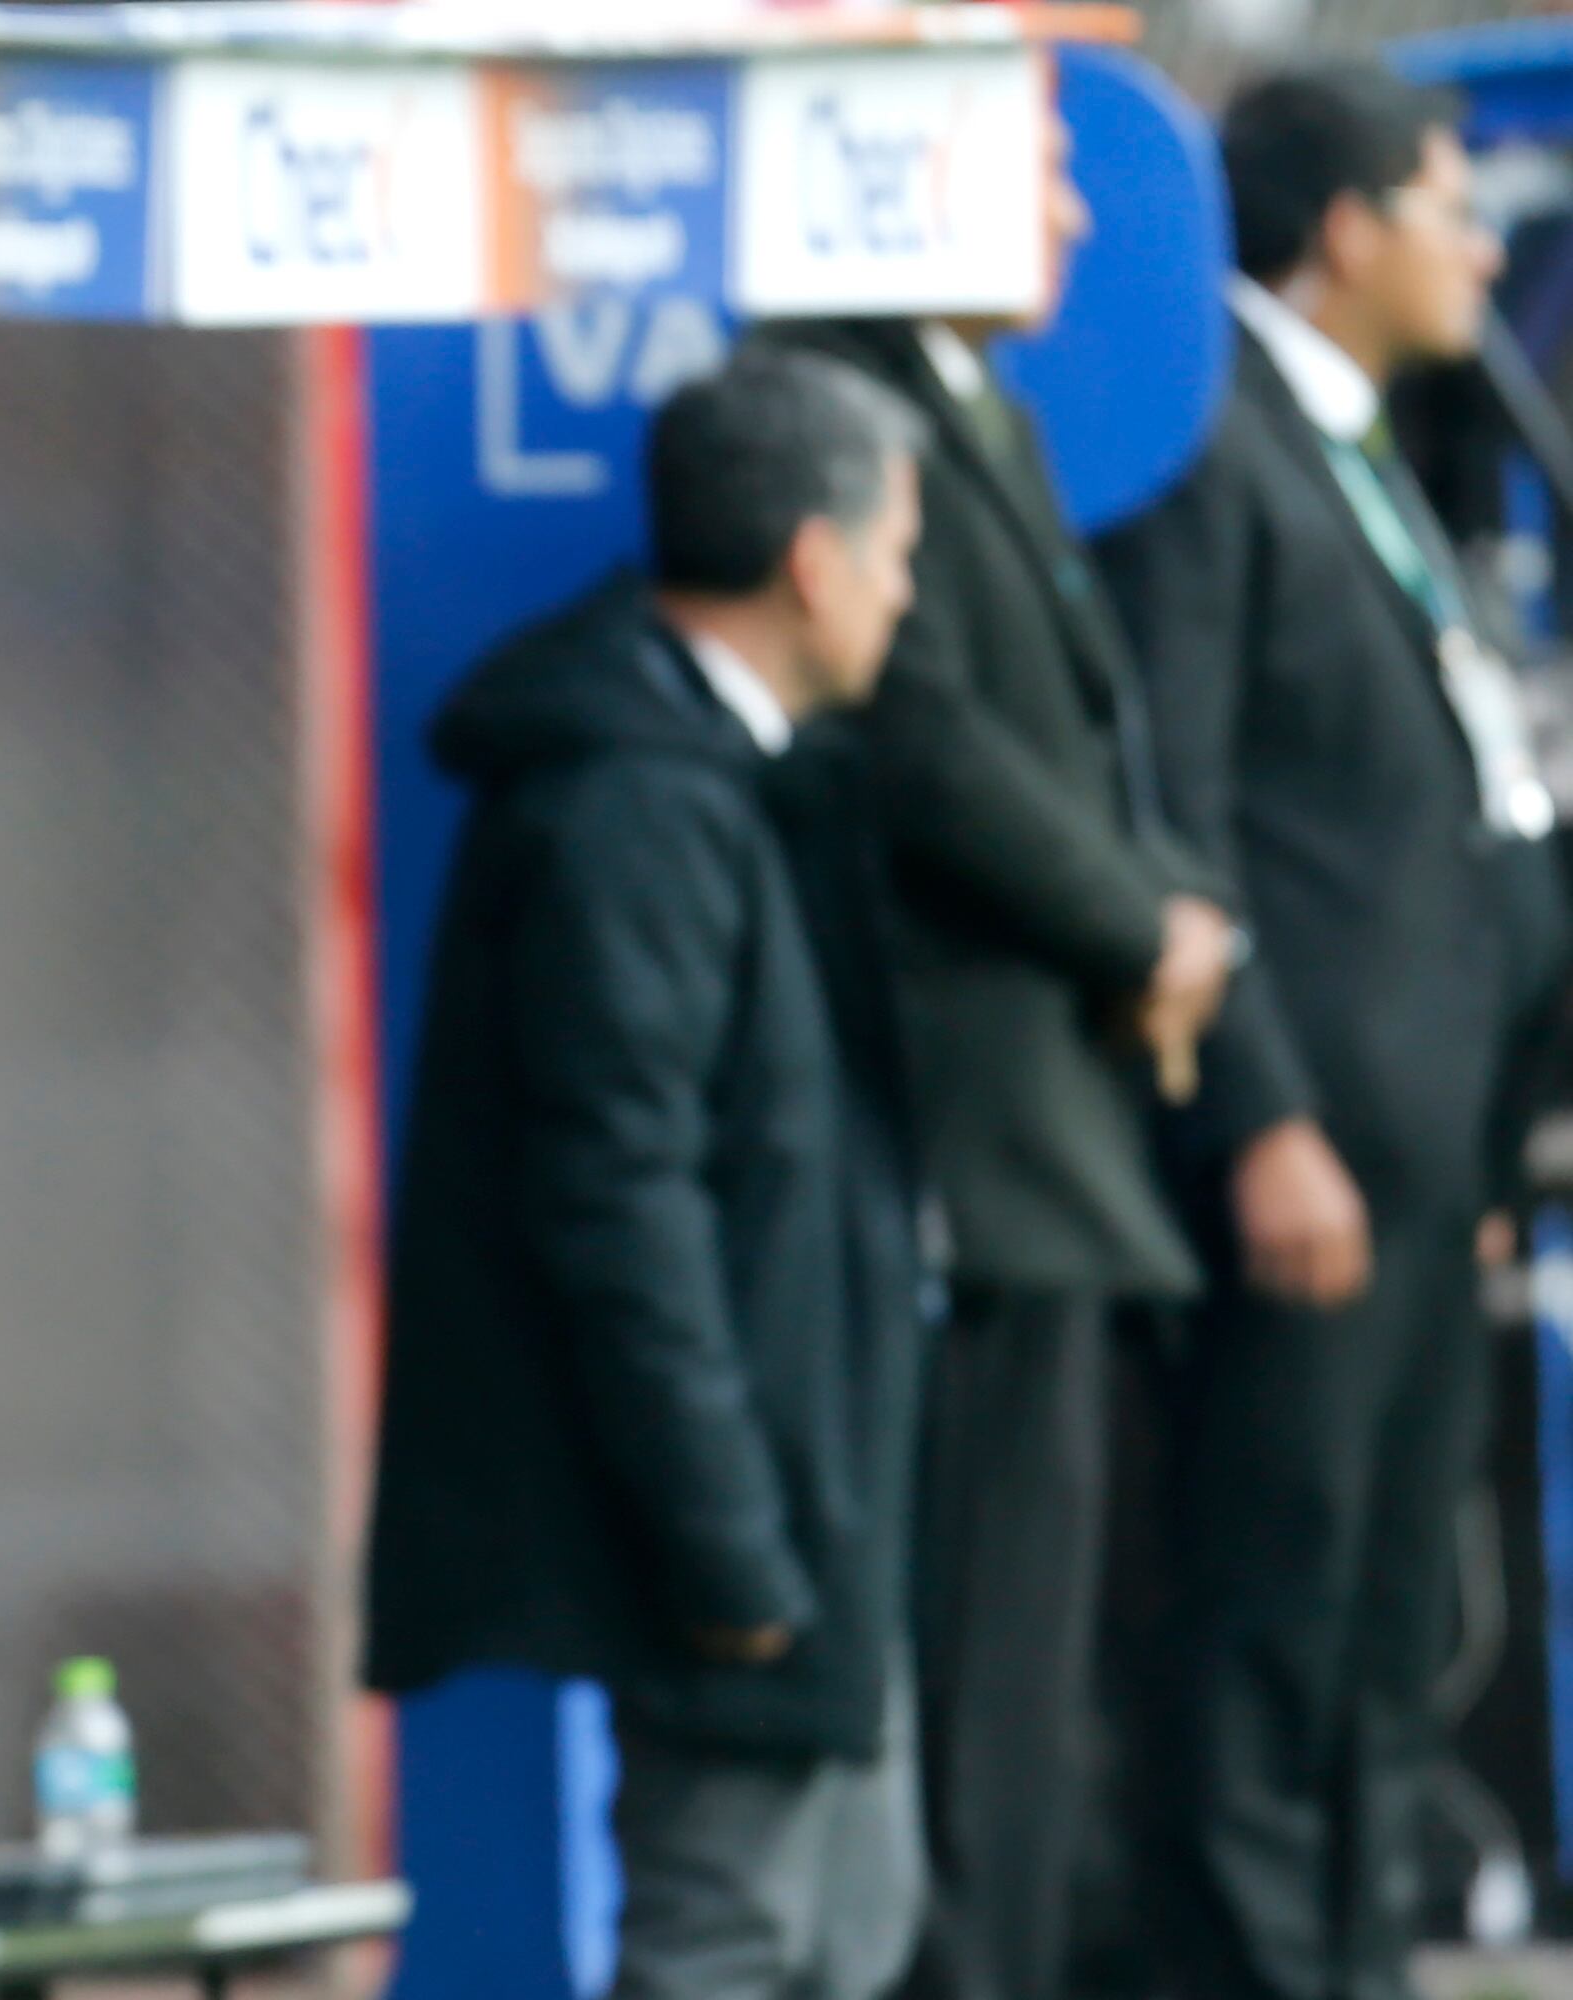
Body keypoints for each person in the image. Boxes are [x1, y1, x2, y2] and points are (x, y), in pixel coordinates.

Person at [366, 350, 930, 2000]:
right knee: (733, 1936)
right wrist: (732, 1543)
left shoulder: (715, 774)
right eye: (897, 556)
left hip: (803, 1494)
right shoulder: (634, 803)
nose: (905, 600)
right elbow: (622, 1203)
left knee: (839, 1931)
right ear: (816, 564)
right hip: (742, 1522)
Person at [763, 115, 1238, 2000]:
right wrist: (1136, 930)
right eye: (1029, 166)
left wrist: (1178, 921)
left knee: (1042, 1695)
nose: (1067, 212)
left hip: (1066, 1141)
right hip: (968, 1153)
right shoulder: (820, 399)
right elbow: (934, 749)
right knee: (975, 1695)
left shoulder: (994, 418)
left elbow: (1090, 751)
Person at [1093, 65, 1552, 2000]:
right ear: (1345, 229)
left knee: (1380, 1636)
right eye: (1450, 206)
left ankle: (1358, 1964)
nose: (1480, 249)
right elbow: (1178, 814)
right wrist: (1263, 1118)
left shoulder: (1371, 447)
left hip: (1433, 1159)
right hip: (1314, 1158)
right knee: (1264, 1635)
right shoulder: (1216, 451)